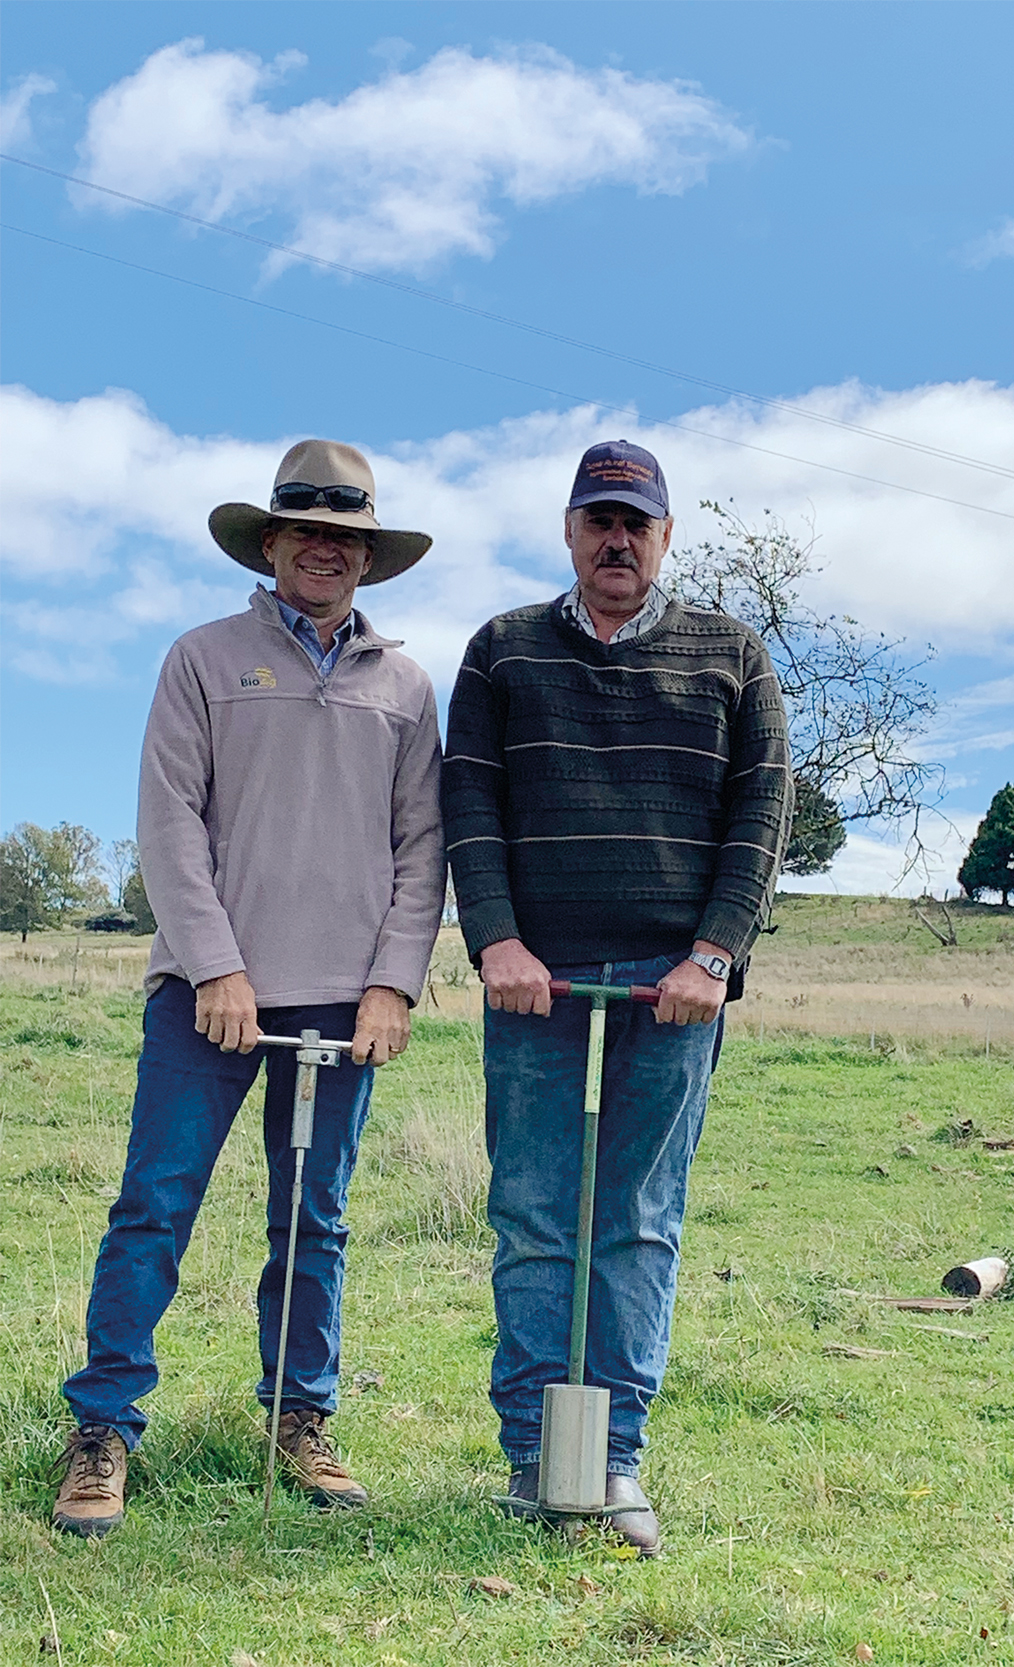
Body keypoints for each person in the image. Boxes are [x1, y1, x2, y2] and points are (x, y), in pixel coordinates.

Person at [51, 440, 445, 1537]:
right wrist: (217, 963)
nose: (326, 546)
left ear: (368, 556)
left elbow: (423, 848)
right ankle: (103, 1428)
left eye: (348, 534)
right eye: (306, 527)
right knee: (154, 1204)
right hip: (206, 996)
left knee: (313, 1220)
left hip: (340, 1007)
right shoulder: (203, 658)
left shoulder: (407, 686)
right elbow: (169, 822)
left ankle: (298, 1415)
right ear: (269, 543)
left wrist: (391, 986)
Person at [442, 439, 792, 1555]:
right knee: (534, 1216)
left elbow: (758, 814)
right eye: (598, 518)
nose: (616, 539)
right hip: (532, 982)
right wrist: (495, 938)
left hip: (672, 985)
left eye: (636, 522)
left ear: (665, 536)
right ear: (568, 528)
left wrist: (712, 956)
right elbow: (469, 807)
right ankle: (535, 1458)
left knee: (637, 1221)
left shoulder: (730, 655)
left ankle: (617, 1456)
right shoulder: (501, 651)